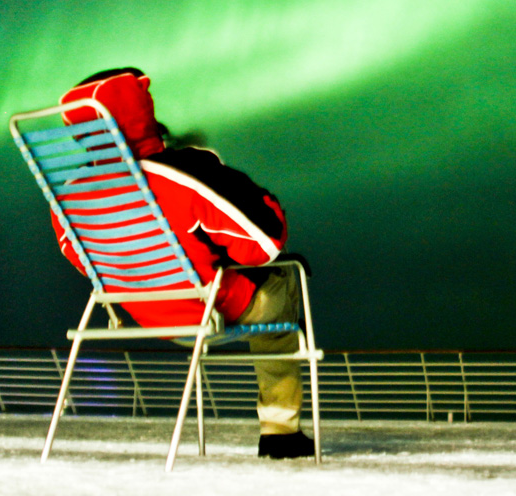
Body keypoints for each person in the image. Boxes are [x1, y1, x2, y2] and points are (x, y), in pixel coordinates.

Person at [49, 67, 316, 460]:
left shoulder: (70, 198)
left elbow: (82, 259)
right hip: (210, 309)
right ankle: (281, 431)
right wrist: (217, 174)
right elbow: (265, 242)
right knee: (285, 280)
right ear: (141, 110)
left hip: (148, 317)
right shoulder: (182, 175)